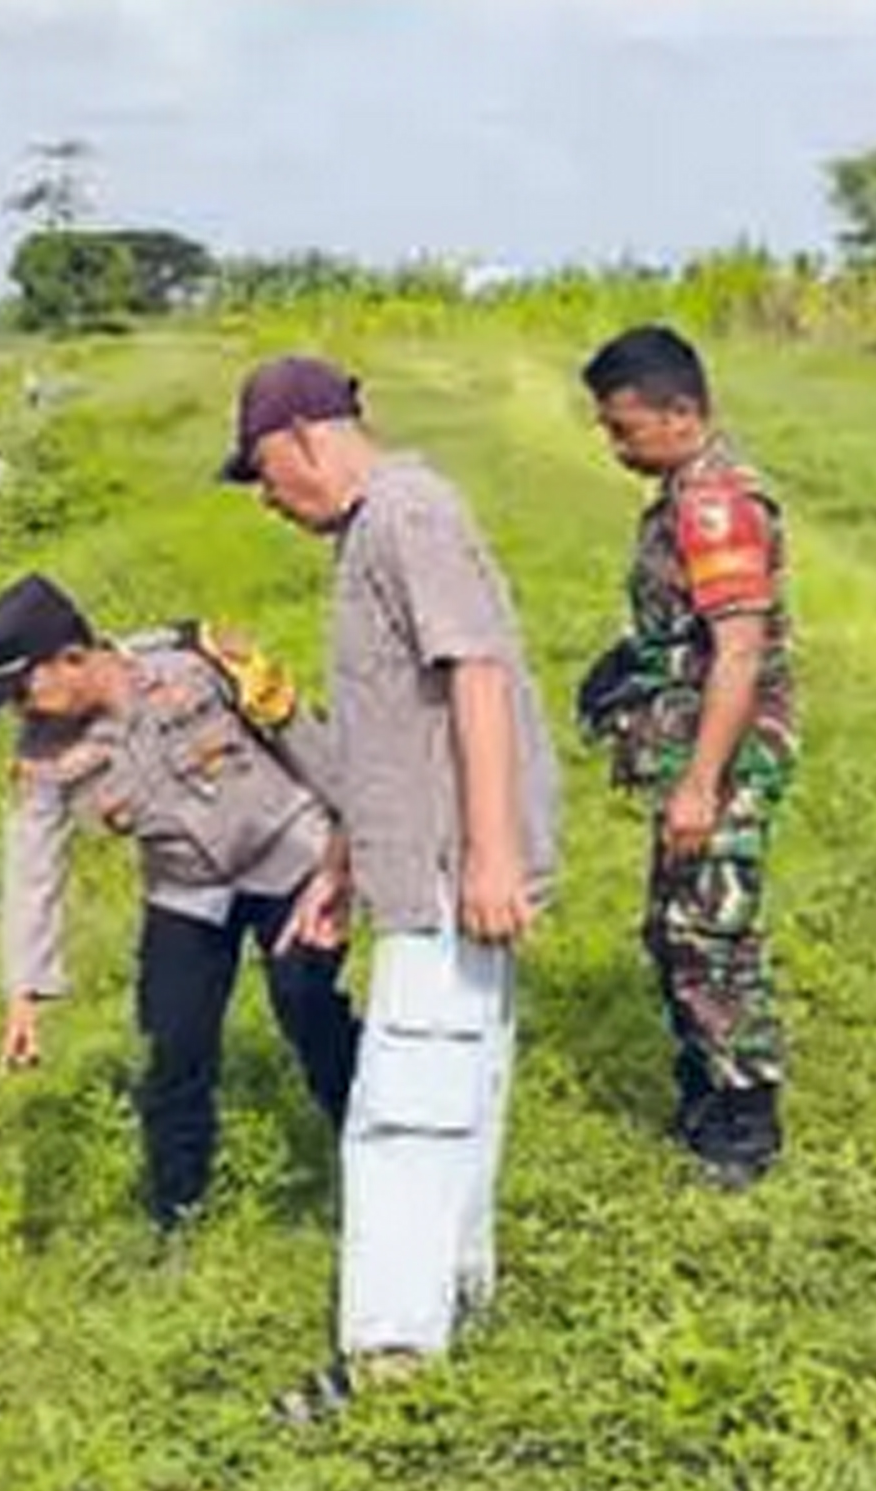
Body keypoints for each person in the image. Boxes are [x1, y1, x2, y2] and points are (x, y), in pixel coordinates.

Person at [220, 356, 563, 1421]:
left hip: (451, 867)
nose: (267, 499)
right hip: (417, 860)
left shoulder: (408, 515)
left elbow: (477, 675)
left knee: (403, 1110)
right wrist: (340, 864)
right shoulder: (374, 530)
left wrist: (492, 853)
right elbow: (387, 734)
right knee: (457, 1086)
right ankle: (458, 1296)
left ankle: (391, 1358)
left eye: (263, 473)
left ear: (304, 437)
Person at [0, 571, 360, 1235]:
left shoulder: (197, 661)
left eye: (24, 688)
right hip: (188, 891)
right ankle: (178, 1219)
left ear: (72, 657)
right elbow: (31, 865)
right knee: (173, 1049)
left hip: (290, 858)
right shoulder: (41, 752)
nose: (19, 709)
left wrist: (354, 845)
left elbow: (307, 742)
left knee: (309, 1007)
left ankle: (372, 1153)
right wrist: (24, 991)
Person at [575, 325, 799, 1189]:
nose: (614, 444)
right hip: (693, 751)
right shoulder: (681, 494)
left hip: (727, 758)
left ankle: (746, 1117)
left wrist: (702, 785)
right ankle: (704, 1086)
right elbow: (688, 632)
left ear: (680, 413)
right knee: (672, 926)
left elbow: (738, 653)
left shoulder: (716, 507)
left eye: (624, 427)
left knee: (710, 932)